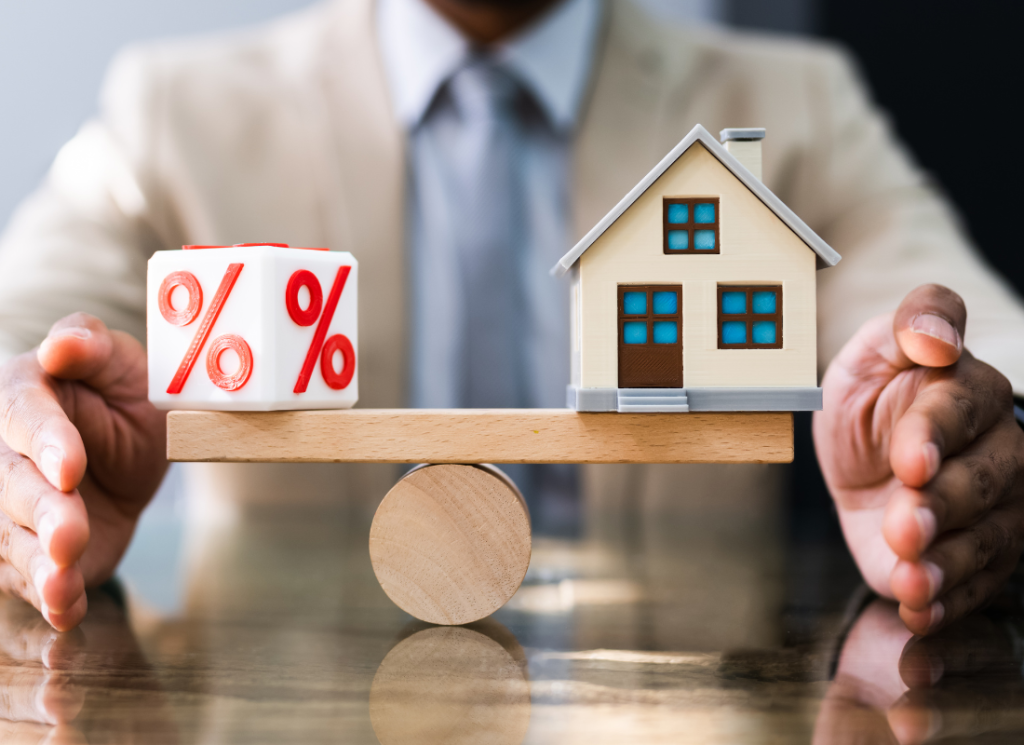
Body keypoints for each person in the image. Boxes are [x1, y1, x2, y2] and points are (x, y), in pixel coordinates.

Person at [0, 0, 1022, 634]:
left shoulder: (795, 103)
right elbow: (29, 315)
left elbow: (952, 316)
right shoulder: (171, 109)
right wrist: (32, 439)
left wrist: (939, 412)